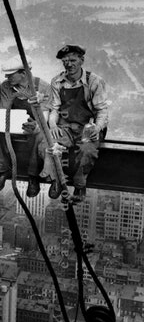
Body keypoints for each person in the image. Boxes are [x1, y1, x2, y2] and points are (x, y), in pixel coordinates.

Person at [42, 44, 109, 203]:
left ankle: (80, 186)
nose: (69, 64)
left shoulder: (94, 81)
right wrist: (53, 125)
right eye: (65, 61)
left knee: (86, 150)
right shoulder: (57, 81)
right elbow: (55, 108)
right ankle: (56, 180)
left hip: (88, 127)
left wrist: (97, 128)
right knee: (51, 144)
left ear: (82, 60)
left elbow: (102, 110)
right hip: (66, 126)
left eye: (73, 60)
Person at [0, 55, 52, 196]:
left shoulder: (43, 86)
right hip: (13, 122)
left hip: (34, 125)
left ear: (24, 73)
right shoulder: (6, 86)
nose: (7, 77)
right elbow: (4, 109)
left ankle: (33, 176)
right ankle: (1, 170)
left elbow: (45, 116)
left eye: (11, 75)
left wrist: (36, 125)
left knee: (38, 136)